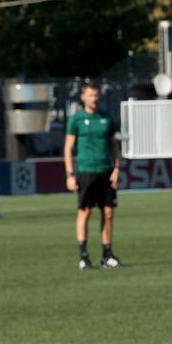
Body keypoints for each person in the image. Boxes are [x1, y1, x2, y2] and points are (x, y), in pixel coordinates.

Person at [64, 82, 122, 269]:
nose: (94, 99)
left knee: (108, 212)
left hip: (106, 170)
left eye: (96, 95)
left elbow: (114, 145)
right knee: (85, 212)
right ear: (83, 97)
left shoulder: (107, 118)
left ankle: (107, 254)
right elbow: (68, 148)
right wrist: (70, 174)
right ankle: (84, 255)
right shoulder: (76, 119)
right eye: (90, 95)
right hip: (87, 171)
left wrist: (117, 168)